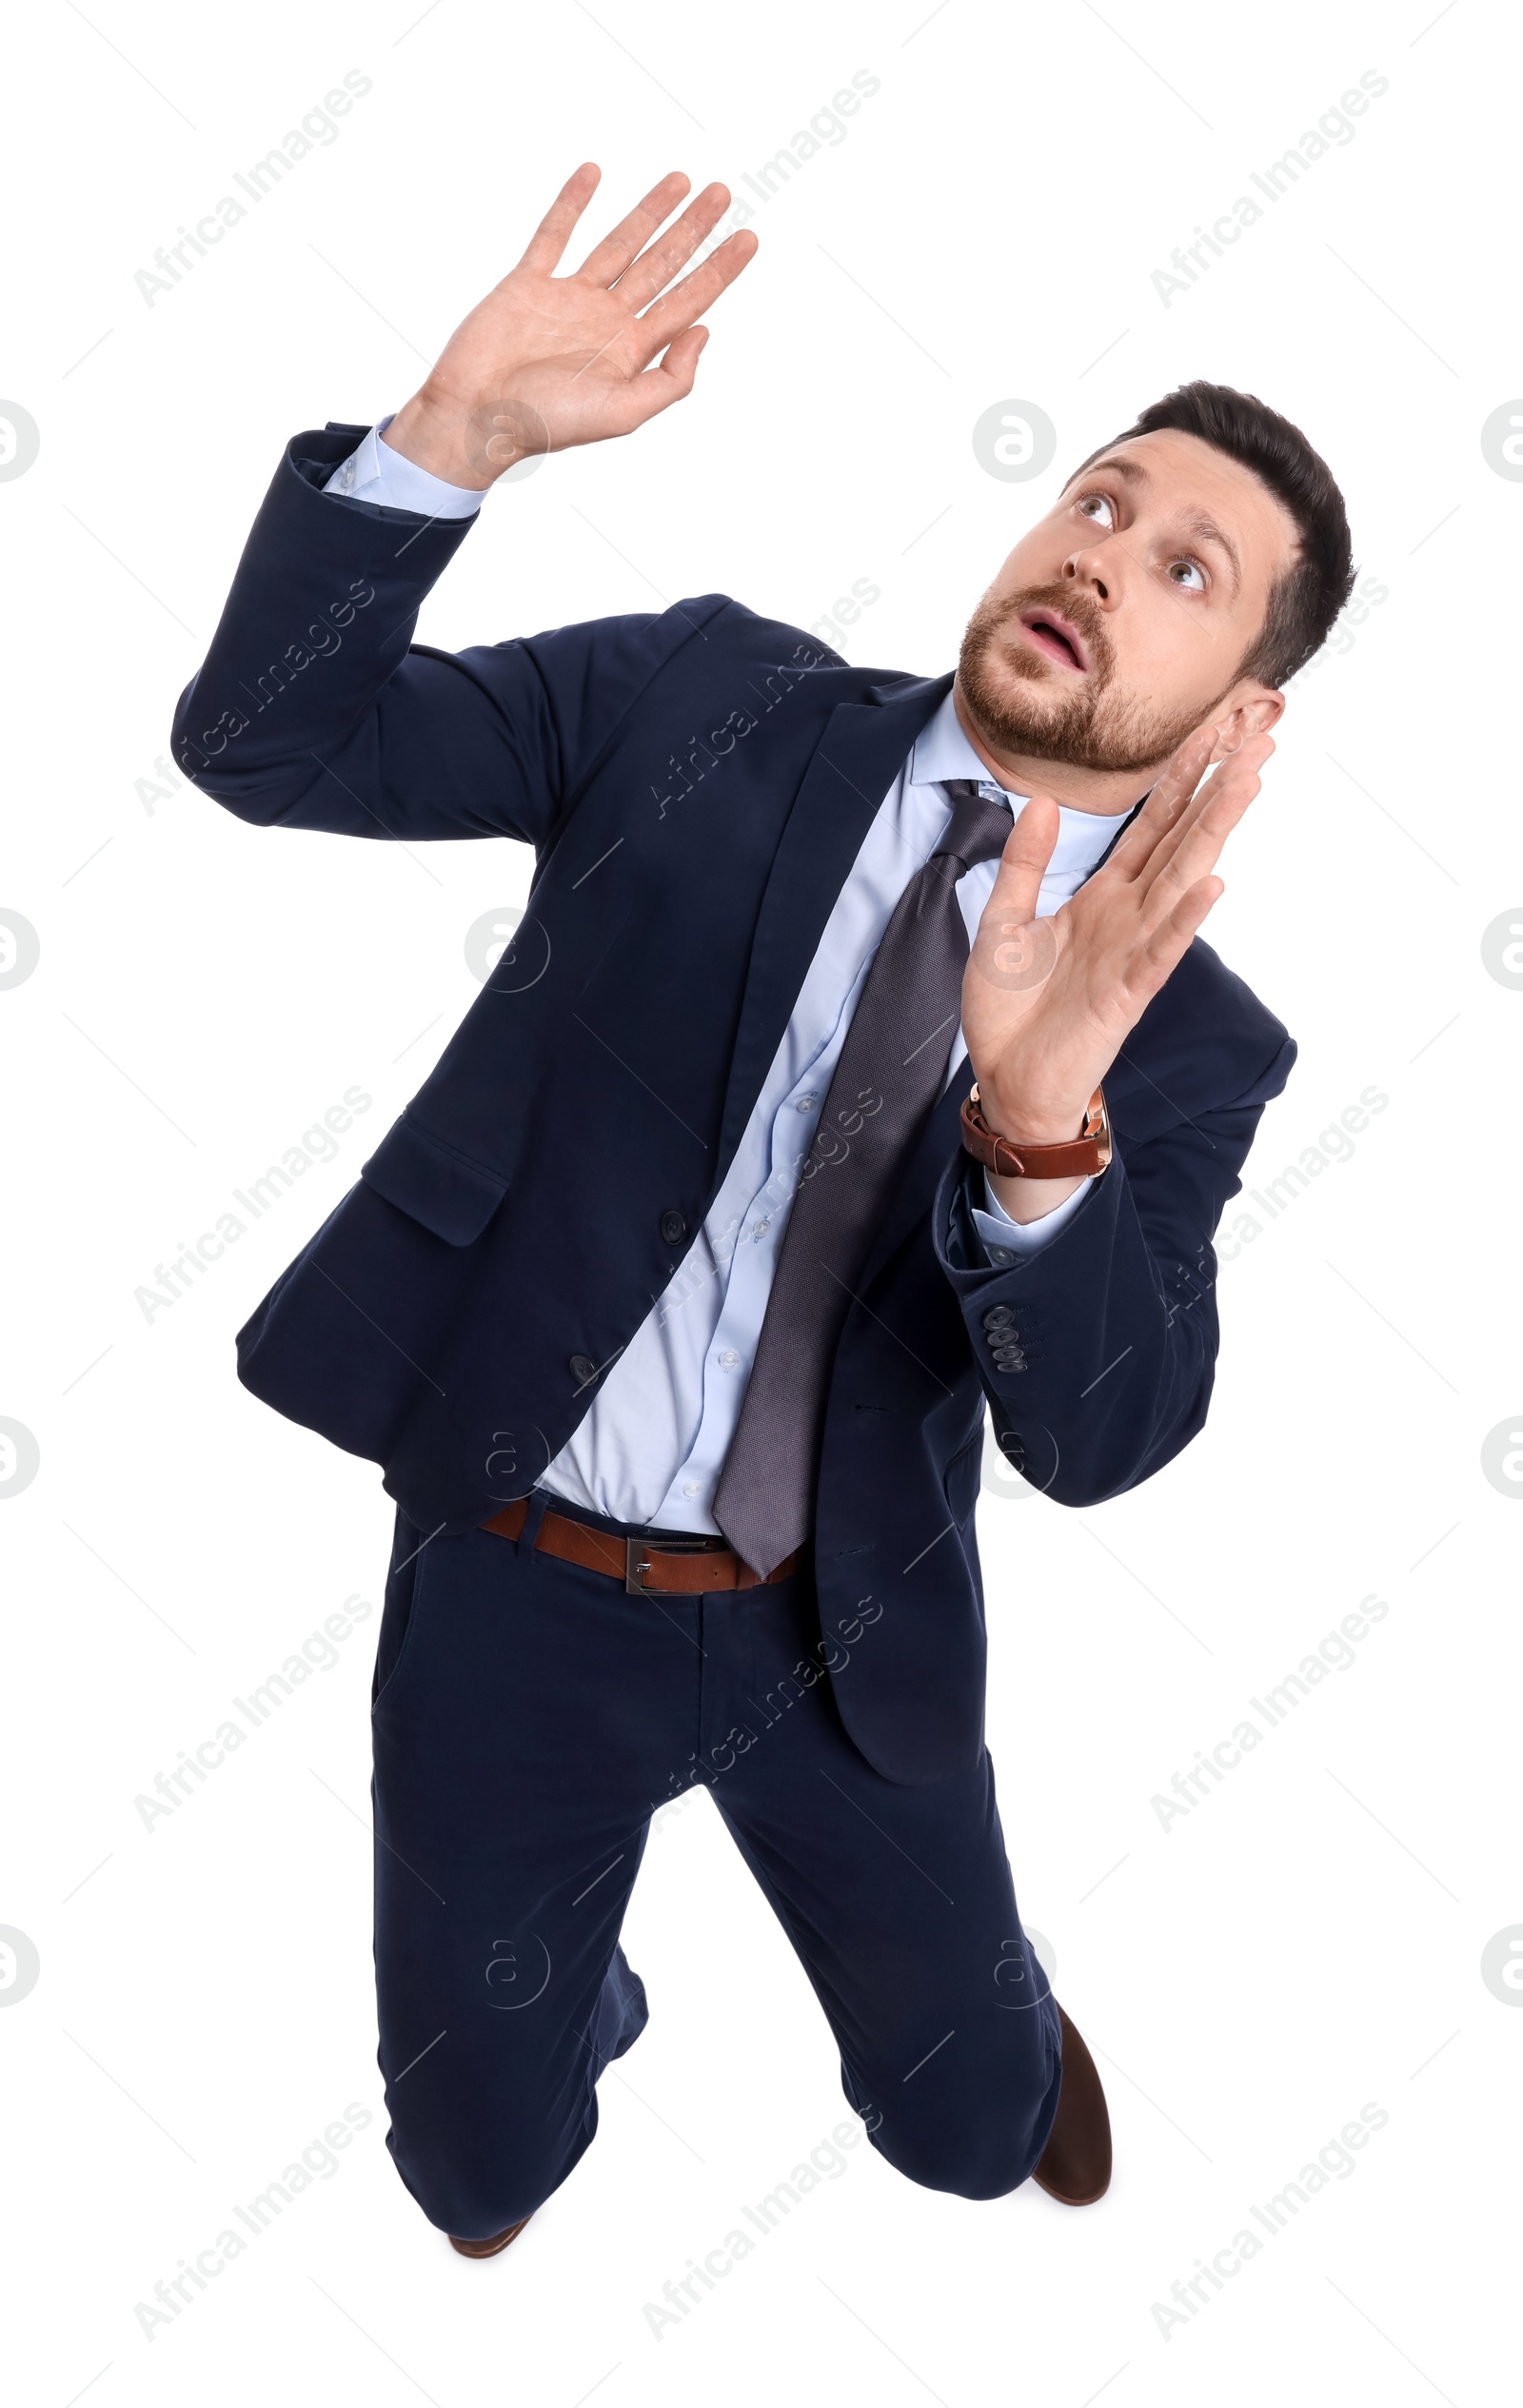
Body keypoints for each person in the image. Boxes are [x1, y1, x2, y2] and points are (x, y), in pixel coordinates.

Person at [171, 165, 1352, 2256]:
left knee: (968, 2129)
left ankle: (987, 2047)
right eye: (1094, 498)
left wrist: (1041, 1113)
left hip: (837, 1629)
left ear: (1239, 710)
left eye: (1185, 565)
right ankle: (585, 1985)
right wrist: (443, 443)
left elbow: (1100, 1441)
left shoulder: (1191, 1043)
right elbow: (270, 743)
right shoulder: (700, 703)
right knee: (474, 2173)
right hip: (514, 1571)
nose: (1102, 554)